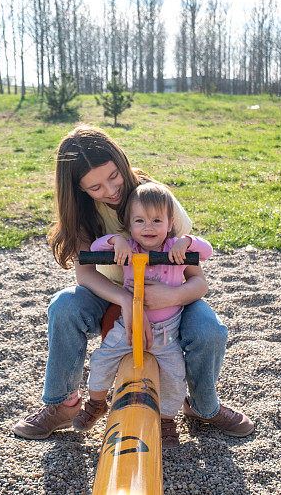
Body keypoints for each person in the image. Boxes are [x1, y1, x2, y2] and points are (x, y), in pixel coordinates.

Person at [12, 124, 254, 440]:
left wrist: (171, 296)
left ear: (121, 161)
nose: (110, 190)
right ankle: (63, 403)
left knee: (210, 331)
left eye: (114, 176)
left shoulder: (153, 198)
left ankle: (202, 406)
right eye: (96, 187)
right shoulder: (84, 214)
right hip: (113, 292)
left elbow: (196, 273)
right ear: (80, 190)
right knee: (64, 305)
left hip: (169, 295)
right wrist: (127, 300)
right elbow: (86, 274)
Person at [71, 182, 214, 448]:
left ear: (170, 223)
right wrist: (117, 241)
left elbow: (206, 251)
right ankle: (97, 403)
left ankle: (167, 420)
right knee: (102, 360)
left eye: (157, 220)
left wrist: (188, 241)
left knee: (174, 375)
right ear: (128, 225)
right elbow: (96, 248)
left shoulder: (175, 250)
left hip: (167, 332)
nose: (148, 227)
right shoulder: (130, 250)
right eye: (139, 221)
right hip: (128, 325)